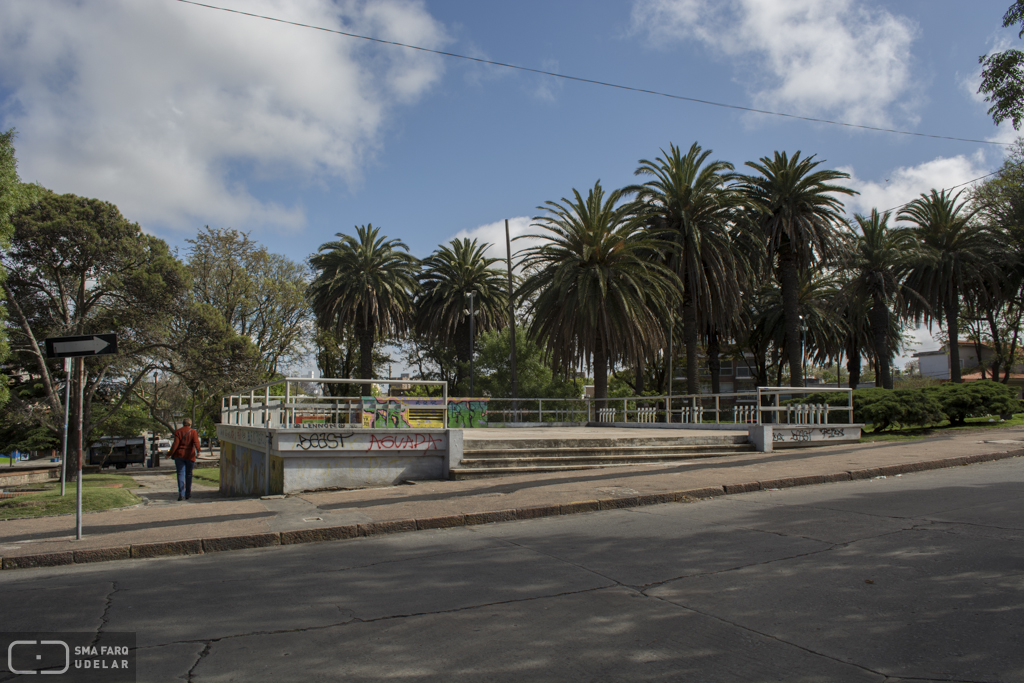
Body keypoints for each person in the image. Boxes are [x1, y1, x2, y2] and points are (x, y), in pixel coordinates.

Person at [170, 418, 201, 501]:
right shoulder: (193, 432)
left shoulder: (178, 432)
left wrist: (169, 453)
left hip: (179, 455)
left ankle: (181, 494)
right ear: (190, 424)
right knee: (189, 474)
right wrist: (198, 451)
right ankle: (188, 493)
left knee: (180, 474)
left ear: (183, 424)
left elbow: (175, 444)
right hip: (190, 456)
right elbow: (196, 442)